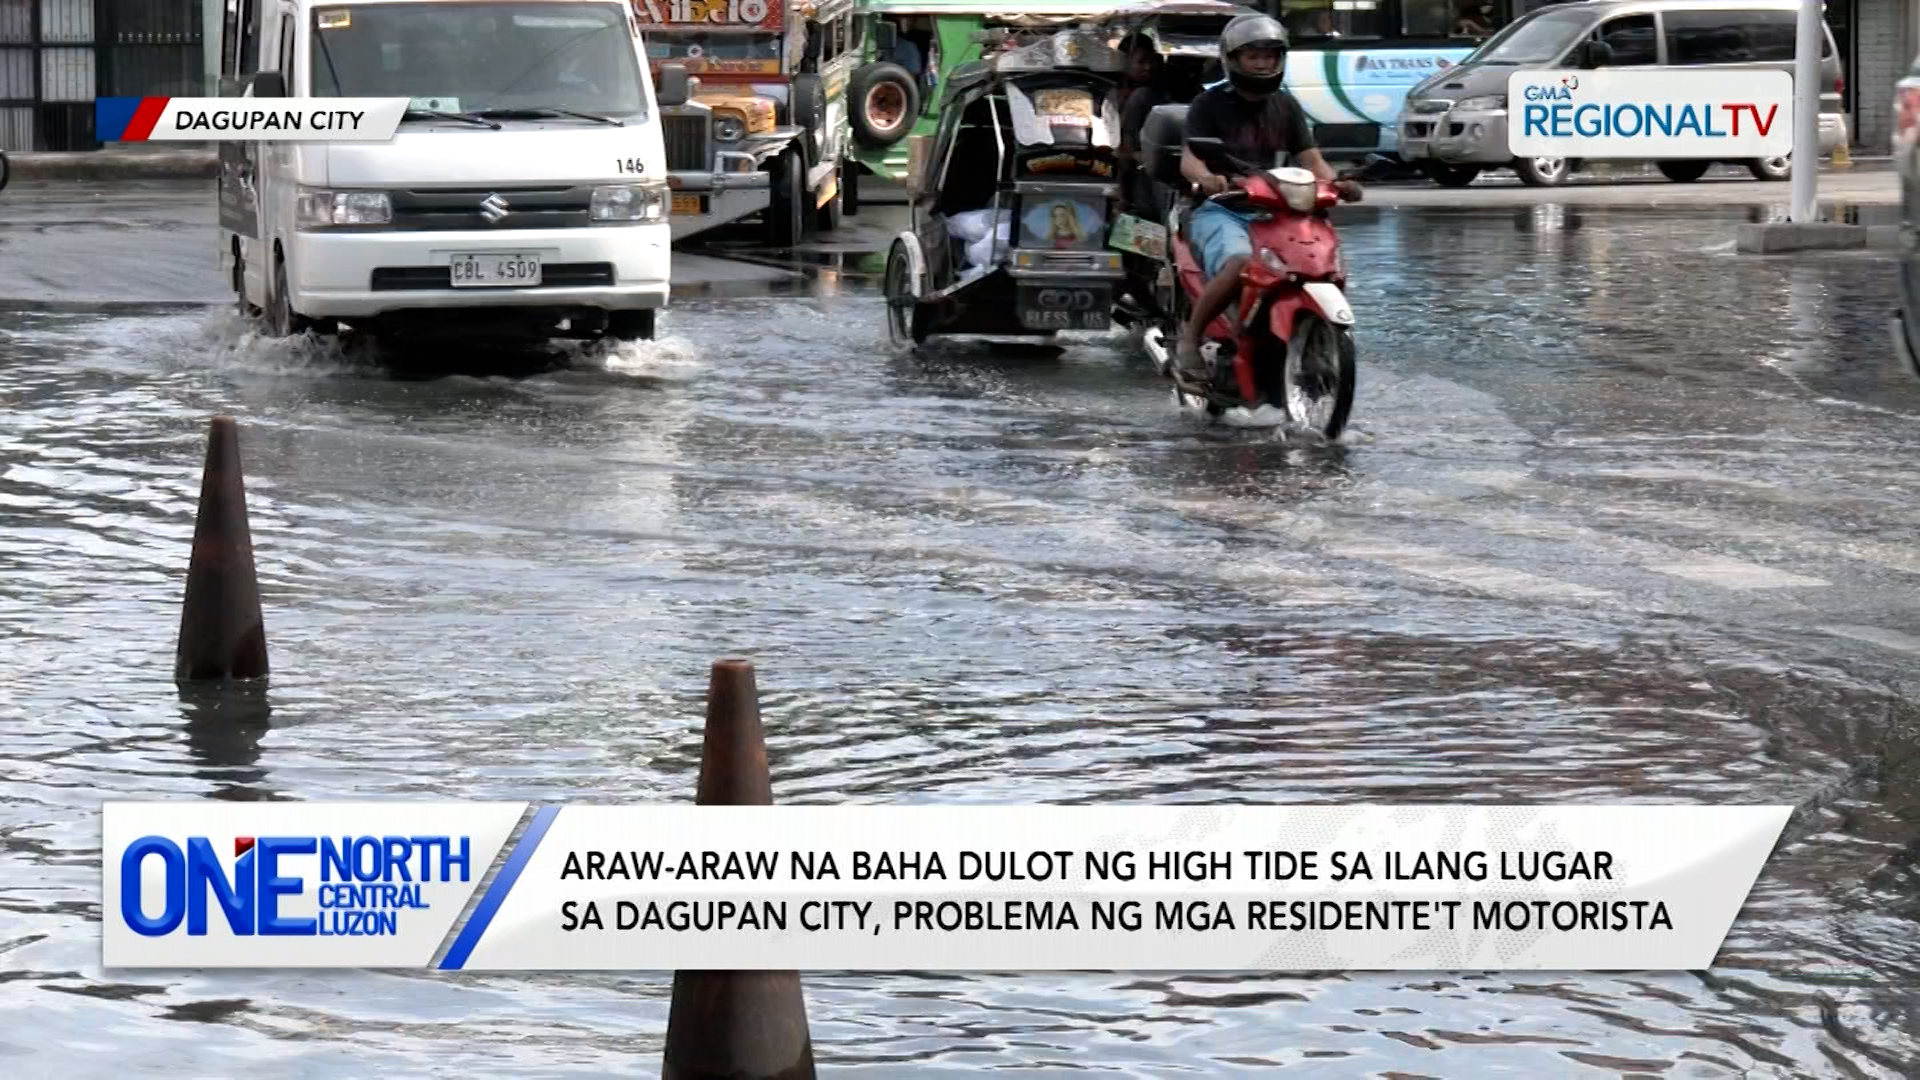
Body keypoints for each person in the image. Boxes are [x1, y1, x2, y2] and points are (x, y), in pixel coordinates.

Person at [1172, 12, 1358, 386]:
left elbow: (1311, 159)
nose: (1262, 62)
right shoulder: (1209, 104)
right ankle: (1190, 339)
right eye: (1253, 55)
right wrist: (1208, 179)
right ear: (1234, 59)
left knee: (1319, 262)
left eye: (1270, 55)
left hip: (1278, 208)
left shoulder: (1285, 106)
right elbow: (1190, 158)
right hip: (1224, 207)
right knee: (1240, 261)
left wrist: (1340, 183)